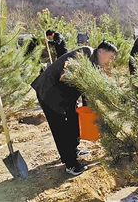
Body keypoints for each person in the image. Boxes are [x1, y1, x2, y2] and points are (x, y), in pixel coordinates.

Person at [31, 41, 117, 176]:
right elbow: (69, 75)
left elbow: (86, 88)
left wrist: (89, 108)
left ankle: (73, 149)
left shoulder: (93, 63)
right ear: (101, 51)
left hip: (64, 94)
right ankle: (70, 164)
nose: (110, 62)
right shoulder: (85, 53)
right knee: (60, 128)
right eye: (110, 57)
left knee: (73, 119)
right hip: (49, 91)